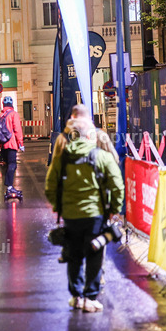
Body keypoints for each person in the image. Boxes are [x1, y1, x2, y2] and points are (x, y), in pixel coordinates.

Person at [44, 109, 125, 313]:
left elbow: (50, 185)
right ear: (89, 134)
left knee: (74, 254)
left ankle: (76, 296)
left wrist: (59, 206)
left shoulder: (62, 156)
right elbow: (117, 184)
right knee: (94, 254)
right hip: (96, 215)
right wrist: (114, 209)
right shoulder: (101, 156)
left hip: (71, 216)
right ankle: (90, 297)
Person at [0, 97, 24, 197]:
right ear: (12, 104)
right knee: (12, 164)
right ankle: (10, 187)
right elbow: (17, 130)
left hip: (2, 145)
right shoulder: (13, 114)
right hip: (11, 144)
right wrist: (21, 143)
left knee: (7, 166)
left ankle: (9, 186)